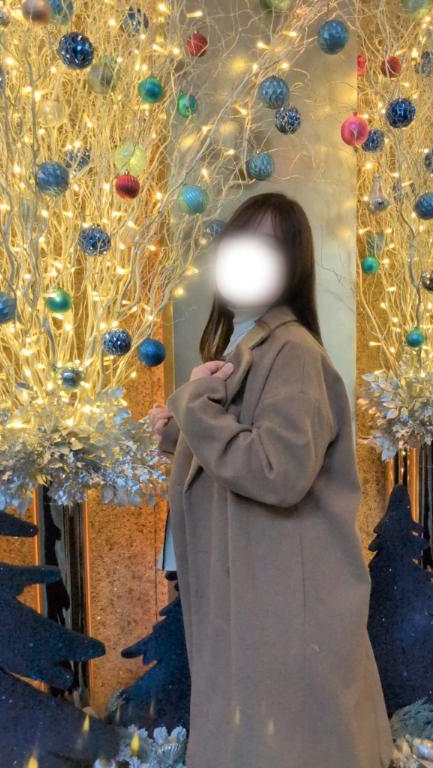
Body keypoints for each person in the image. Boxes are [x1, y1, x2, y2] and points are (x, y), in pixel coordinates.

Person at [148, 192, 392, 768]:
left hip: (281, 607)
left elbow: (278, 471)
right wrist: (181, 430)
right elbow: (249, 442)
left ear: (290, 265)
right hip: (259, 596)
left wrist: (195, 405)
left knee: (285, 745)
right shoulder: (254, 344)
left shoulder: (293, 352)